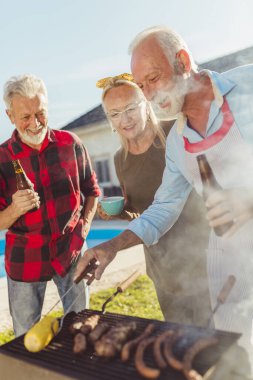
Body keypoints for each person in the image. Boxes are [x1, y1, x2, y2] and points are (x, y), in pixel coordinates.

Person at [74, 26, 253, 370]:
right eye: (142, 86)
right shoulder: (177, 143)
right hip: (227, 270)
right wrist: (112, 246)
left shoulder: (248, 85)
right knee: (233, 363)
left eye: (153, 79)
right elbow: (163, 209)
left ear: (183, 61)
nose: (149, 94)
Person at [96, 73, 211, 325]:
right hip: (162, 266)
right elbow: (139, 212)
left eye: (130, 109)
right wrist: (119, 212)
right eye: (114, 114)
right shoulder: (119, 159)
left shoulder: (178, 132)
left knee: (217, 345)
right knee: (177, 341)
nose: (124, 119)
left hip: (203, 259)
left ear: (145, 104)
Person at [0, 74, 100, 337]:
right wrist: (14, 210)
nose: (35, 123)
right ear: (10, 115)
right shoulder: (1, 159)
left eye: (40, 113)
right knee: (25, 336)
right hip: (25, 261)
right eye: (25, 117)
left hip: (72, 252)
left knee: (80, 329)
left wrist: (85, 228)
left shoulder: (71, 144)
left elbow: (92, 191)